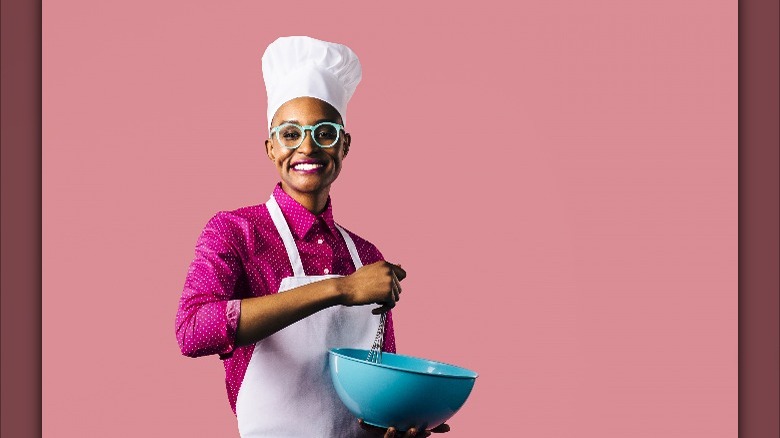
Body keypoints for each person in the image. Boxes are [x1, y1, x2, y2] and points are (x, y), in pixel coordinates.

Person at [175, 36, 450, 438]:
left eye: (325, 132)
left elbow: (376, 385)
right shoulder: (236, 232)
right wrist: (339, 289)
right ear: (270, 148)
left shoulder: (365, 257)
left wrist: (398, 419)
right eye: (290, 133)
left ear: (345, 144)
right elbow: (193, 329)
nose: (307, 146)